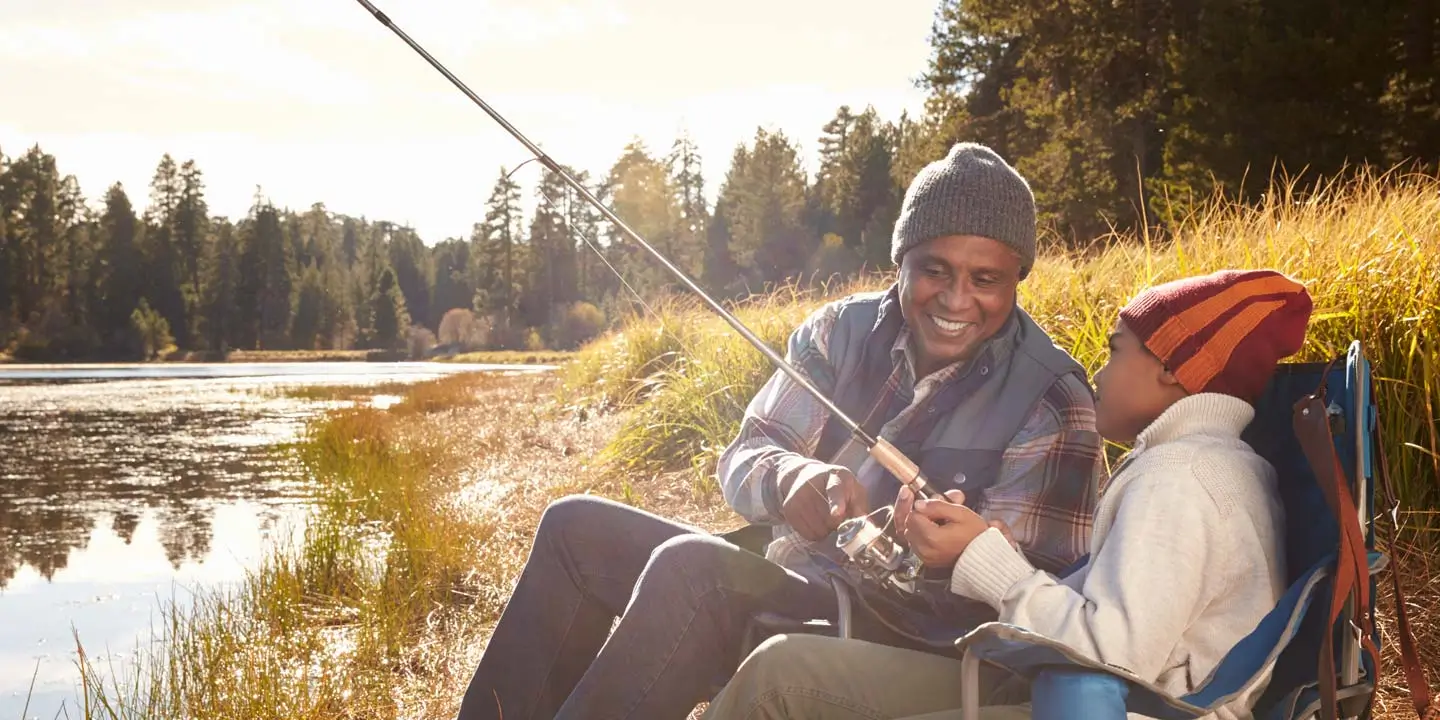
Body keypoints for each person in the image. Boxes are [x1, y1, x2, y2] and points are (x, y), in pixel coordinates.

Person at [453, 142, 1105, 720]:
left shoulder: (1053, 400)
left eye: (985, 280)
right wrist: (792, 476)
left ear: (1017, 279)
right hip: (798, 586)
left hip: (920, 648)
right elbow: (745, 455)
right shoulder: (836, 332)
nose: (957, 299)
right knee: (574, 529)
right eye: (935, 270)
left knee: (696, 574)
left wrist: (962, 555)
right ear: (901, 261)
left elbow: (1038, 610)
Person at [699, 268, 1315, 720]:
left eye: (1115, 352)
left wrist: (981, 564)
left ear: (1174, 369)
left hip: (1106, 707)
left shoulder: (1178, 481)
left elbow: (1110, 654)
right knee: (783, 667)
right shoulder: (1218, 467)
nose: (1096, 373)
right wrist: (987, 546)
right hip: (1064, 692)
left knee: (778, 683)